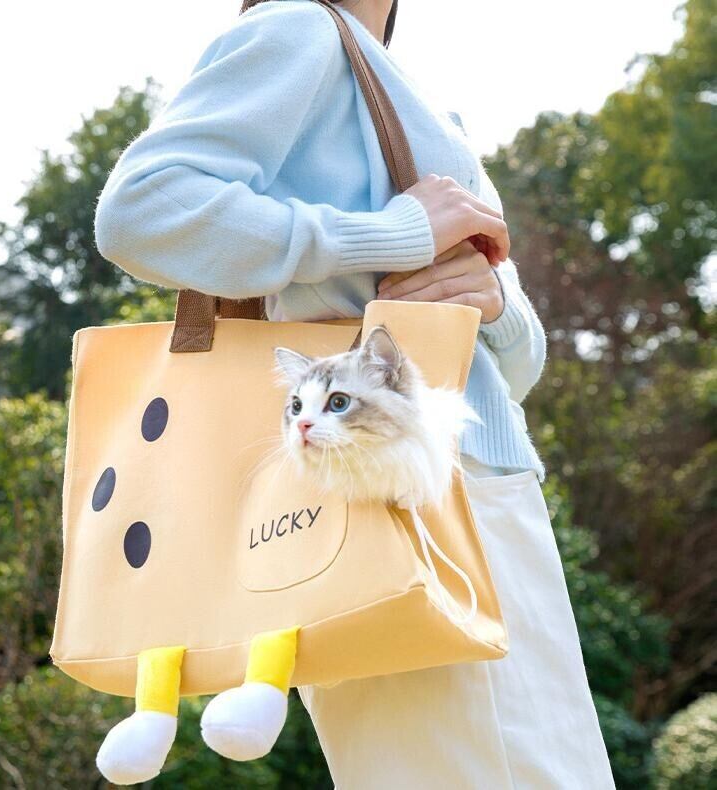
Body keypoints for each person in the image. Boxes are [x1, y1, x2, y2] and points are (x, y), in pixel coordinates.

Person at [93, 1, 615, 787]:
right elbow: (141, 211)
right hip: (385, 496)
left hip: (485, 487)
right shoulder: (296, 29)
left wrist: (497, 305)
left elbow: (510, 377)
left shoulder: (416, 96)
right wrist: (394, 236)